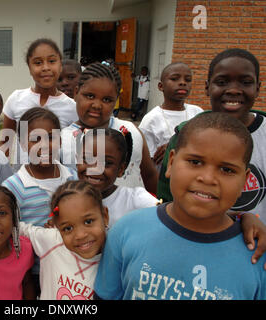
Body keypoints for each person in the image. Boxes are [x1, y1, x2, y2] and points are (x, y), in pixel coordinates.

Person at [95, 113, 266, 300]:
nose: (207, 178)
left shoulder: (258, 255)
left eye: (227, 170)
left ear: (245, 181)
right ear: (171, 162)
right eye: (195, 162)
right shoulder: (126, 231)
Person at [157, 49, 266, 228]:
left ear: (258, 88)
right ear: (207, 87)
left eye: (245, 82)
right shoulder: (185, 135)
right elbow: (166, 198)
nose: (233, 90)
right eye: (222, 82)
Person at [1, 107, 77, 295]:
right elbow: (8, 228)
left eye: (51, 137)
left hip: (69, 266)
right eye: (36, 139)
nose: (45, 145)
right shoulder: (14, 186)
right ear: (22, 143)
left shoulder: (72, 178)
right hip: (31, 272)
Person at [60, 62, 159, 194]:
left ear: (116, 100)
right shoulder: (62, 140)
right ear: (76, 92)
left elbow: (150, 175)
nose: (96, 105)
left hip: (133, 212)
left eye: (106, 99)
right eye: (90, 96)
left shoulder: (130, 131)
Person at [19, 180, 109, 300]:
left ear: (105, 216)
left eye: (88, 222)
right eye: (68, 228)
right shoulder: (52, 241)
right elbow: (19, 228)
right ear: (57, 228)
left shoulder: (116, 258)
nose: (80, 235)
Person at [1, 38, 78, 167]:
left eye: (52, 61)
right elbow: (5, 141)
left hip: (56, 180)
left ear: (60, 66)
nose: (45, 68)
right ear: (30, 68)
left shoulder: (72, 107)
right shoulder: (16, 99)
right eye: (38, 63)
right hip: (22, 179)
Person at [77, 128, 159, 227]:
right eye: (87, 159)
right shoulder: (69, 200)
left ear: (121, 169)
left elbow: (167, 219)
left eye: (107, 163)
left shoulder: (135, 200)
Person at [139, 62, 203, 170]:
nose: (182, 83)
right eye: (174, 79)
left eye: (187, 80)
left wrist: (175, 147)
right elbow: (147, 164)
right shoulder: (151, 120)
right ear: (161, 86)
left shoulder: (197, 113)